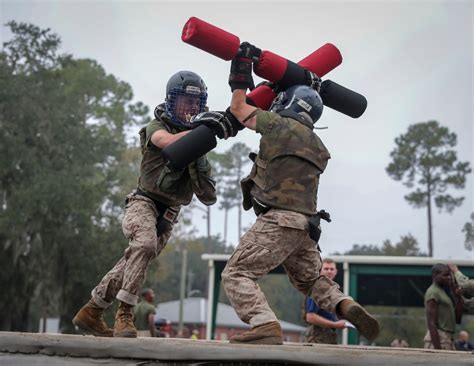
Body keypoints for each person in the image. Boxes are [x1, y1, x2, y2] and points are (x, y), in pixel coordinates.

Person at [219, 45, 380, 345]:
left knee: (236, 273)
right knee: (310, 280)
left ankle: (264, 323)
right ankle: (345, 304)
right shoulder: (319, 147)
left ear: (286, 102)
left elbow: (240, 110)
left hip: (278, 221)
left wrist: (239, 72)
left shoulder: (278, 125)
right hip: (308, 227)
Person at [72, 70, 238, 338]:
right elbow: (167, 142)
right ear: (172, 101)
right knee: (145, 244)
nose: (190, 109)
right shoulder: (156, 127)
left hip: (170, 214)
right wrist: (201, 132)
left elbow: (208, 196)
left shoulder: (199, 144)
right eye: (185, 102)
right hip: (143, 202)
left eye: (195, 104)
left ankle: (92, 311)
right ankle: (125, 313)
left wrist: (208, 141)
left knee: (134, 261)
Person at [304, 258, 350, 344]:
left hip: (329, 334)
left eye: (331, 269)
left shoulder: (332, 290)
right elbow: (310, 317)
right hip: (317, 336)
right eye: (326, 269)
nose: (329, 271)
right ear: (320, 271)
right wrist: (336, 325)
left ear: (335, 272)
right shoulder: (317, 288)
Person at [424, 263, 464, 350]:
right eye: (445, 275)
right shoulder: (433, 292)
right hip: (439, 340)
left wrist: (458, 297)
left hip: (447, 339)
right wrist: (438, 350)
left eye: (450, 275)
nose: (449, 277)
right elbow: (431, 323)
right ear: (435, 275)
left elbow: (458, 319)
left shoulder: (444, 293)